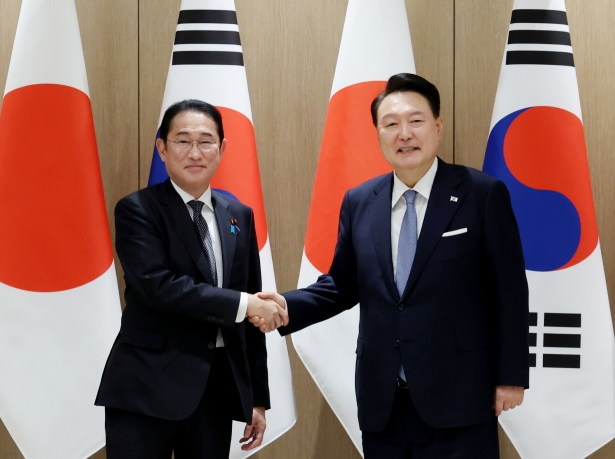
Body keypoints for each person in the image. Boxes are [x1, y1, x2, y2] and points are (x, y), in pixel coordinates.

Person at [256, 73, 529, 458]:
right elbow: (342, 284)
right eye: (391, 124)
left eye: (416, 121)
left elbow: (510, 292)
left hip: (460, 397)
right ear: (378, 133)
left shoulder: (481, 194)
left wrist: (511, 377)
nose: (404, 133)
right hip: (383, 402)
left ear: (437, 127)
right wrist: (285, 307)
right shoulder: (360, 201)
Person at [95, 99, 287, 459]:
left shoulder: (239, 216)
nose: (195, 152)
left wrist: (256, 398)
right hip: (145, 388)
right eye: (182, 141)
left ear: (222, 148)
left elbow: (251, 318)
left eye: (206, 141)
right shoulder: (138, 210)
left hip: (213, 392)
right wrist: (246, 305)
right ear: (162, 149)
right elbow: (159, 287)